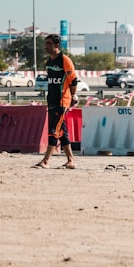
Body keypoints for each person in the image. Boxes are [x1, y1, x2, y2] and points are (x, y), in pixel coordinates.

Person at [33, 33, 79, 169]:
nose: (46, 47)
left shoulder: (64, 60)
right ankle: (71, 161)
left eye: (49, 44)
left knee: (54, 130)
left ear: (57, 45)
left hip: (62, 101)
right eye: (45, 44)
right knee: (61, 132)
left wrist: (73, 96)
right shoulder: (48, 62)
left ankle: (46, 161)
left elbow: (73, 80)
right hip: (52, 100)